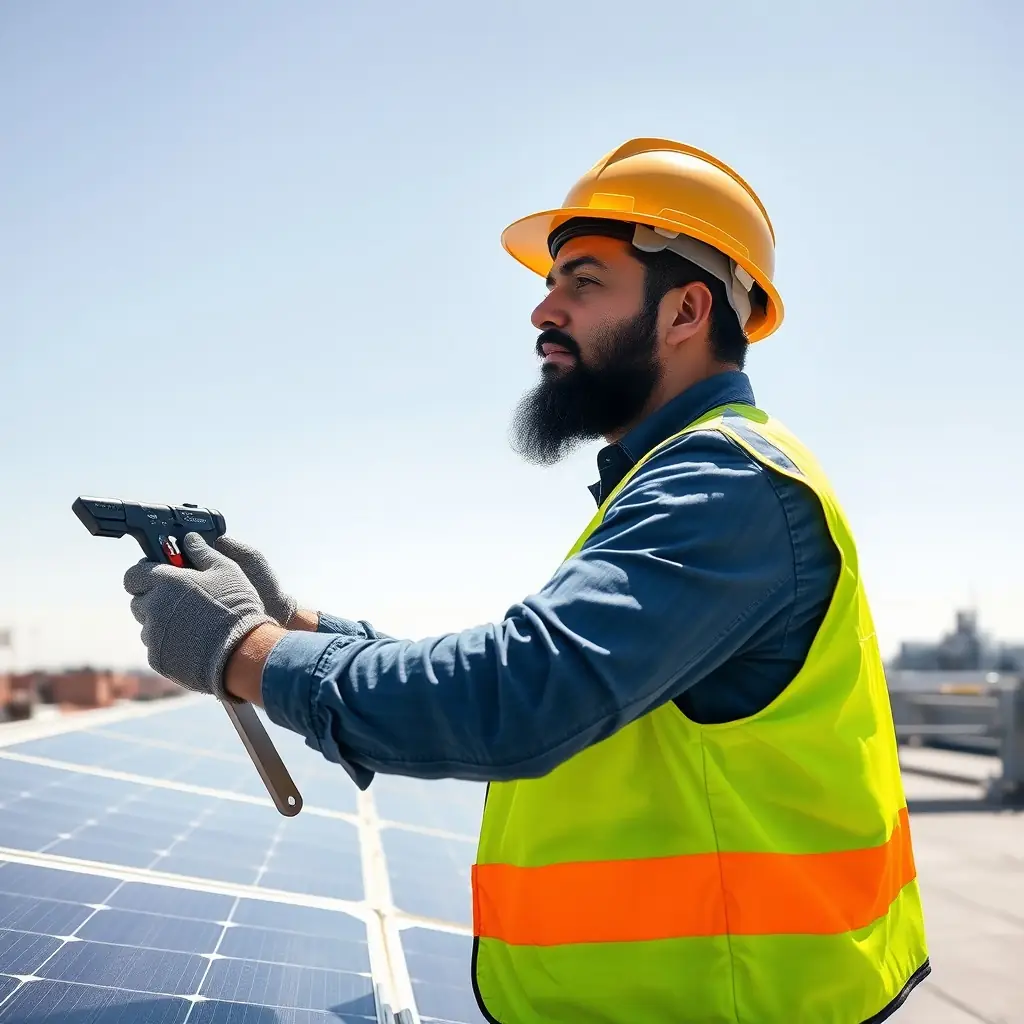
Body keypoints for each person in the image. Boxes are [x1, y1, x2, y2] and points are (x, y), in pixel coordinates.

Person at [124, 138, 930, 1023]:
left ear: (686, 310)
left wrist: (247, 651)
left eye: (583, 281)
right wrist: (293, 622)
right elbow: (543, 684)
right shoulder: (682, 479)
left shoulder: (723, 488)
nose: (543, 309)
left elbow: (515, 696)